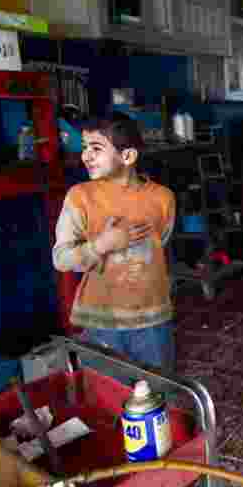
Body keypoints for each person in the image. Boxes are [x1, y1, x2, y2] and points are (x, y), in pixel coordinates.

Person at [52, 114, 177, 371]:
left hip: (152, 318)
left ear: (128, 156)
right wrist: (102, 245)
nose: (86, 155)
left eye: (96, 148)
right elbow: (61, 259)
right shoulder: (79, 197)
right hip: (101, 321)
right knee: (106, 394)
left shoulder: (163, 198)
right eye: (85, 147)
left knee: (155, 392)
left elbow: (159, 243)